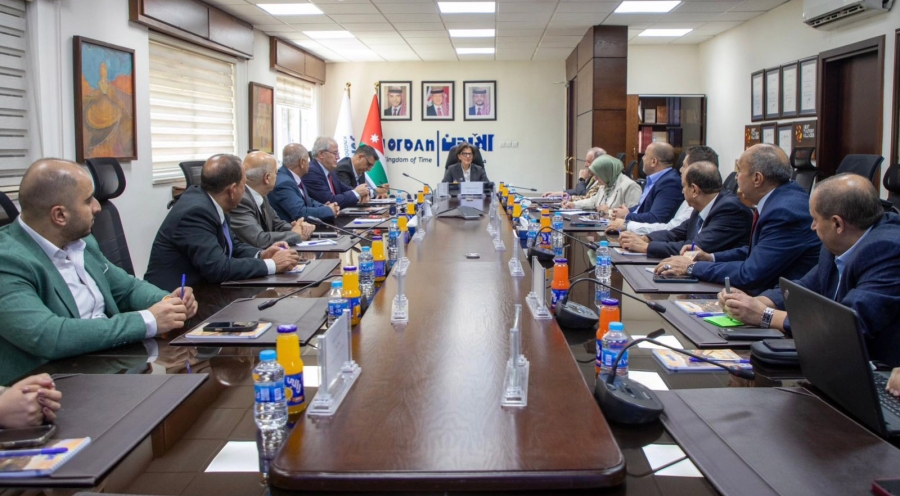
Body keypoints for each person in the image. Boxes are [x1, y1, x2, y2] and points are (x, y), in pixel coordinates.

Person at [0, 159, 197, 384]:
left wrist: (169, 302)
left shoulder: (81, 242)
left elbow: (127, 289)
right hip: (54, 384)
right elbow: (49, 336)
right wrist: (148, 320)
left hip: (109, 366)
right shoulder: (7, 260)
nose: (97, 207)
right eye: (88, 200)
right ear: (60, 215)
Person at [718, 174, 900, 366]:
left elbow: (844, 327)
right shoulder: (842, 240)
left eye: (815, 219)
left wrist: (764, 315)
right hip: (837, 361)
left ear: (837, 224)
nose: (812, 227)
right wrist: (755, 302)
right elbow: (805, 287)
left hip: (878, 370)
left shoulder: (888, 251)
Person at [654, 144, 820, 293]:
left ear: (757, 178)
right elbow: (756, 251)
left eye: (739, 171)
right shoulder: (778, 199)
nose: (735, 177)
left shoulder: (784, 212)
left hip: (779, 300)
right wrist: (711, 257)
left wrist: (692, 268)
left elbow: (751, 273)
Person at [145, 154, 300, 290]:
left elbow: (233, 246)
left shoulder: (213, 202)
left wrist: (261, 254)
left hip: (204, 289)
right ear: (232, 190)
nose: (245, 190)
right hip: (175, 298)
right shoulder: (195, 213)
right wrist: (272, 264)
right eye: (243, 185)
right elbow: (218, 268)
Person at [619, 161, 752, 258]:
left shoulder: (730, 210)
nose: (682, 191)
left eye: (683, 186)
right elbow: (676, 233)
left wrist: (647, 247)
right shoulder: (702, 205)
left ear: (694, 190)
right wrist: (646, 238)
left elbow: (694, 247)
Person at [606, 145, 718, 234]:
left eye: (684, 166)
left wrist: (627, 222)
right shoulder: (691, 201)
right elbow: (674, 232)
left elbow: (664, 224)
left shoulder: (670, 183)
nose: (680, 170)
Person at [230, 151, 315, 250]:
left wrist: (300, 228)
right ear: (267, 178)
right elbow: (258, 240)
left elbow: (277, 224)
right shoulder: (241, 200)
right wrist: (295, 234)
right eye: (275, 173)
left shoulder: (262, 194)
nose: (277, 176)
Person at [609, 142, 683, 224]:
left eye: (645, 155)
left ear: (653, 162)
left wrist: (626, 215)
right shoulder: (655, 179)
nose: (642, 158)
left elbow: (655, 218)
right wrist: (627, 211)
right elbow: (641, 208)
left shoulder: (670, 183)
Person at [269, 143, 340, 223]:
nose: (309, 164)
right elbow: (300, 213)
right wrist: (328, 211)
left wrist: (324, 207)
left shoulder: (291, 177)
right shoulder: (284, 183)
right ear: (302, 162)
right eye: (308, 160)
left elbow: (308, 200)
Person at [561, 155, 641, 215]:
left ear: (606, 173)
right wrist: (574, 205)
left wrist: (609, 211)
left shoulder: (630, 187)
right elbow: (593, 201)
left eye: (597, 175)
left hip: (618, 230)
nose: (595, 179)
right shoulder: (607, 182)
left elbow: (633, 215)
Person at [303, 137, 369, 208]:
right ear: (321, 154)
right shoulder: (311, 172)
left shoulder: (330, 171)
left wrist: (362, 193)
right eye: (335, 153)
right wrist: (356, 193)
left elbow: (345, 189)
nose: (338, 157)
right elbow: (330, 201)